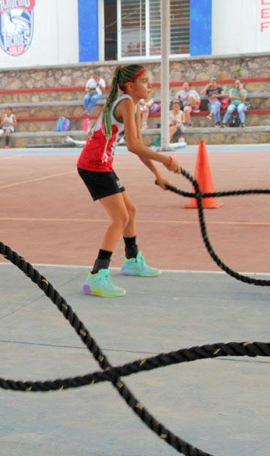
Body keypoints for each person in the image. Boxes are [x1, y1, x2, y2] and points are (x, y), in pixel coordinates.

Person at [76, 64, 180, 298]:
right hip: (94, 165)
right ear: (130, 86)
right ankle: (97, 276)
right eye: (145, 82)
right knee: (120, 217)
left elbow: (139, 147)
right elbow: (134, 146)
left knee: (130, 210)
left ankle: (132, 260)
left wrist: (158, 175)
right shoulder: (126, 102)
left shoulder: (132, 106)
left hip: (102, 164)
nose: (150, 86)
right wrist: (166, 159)